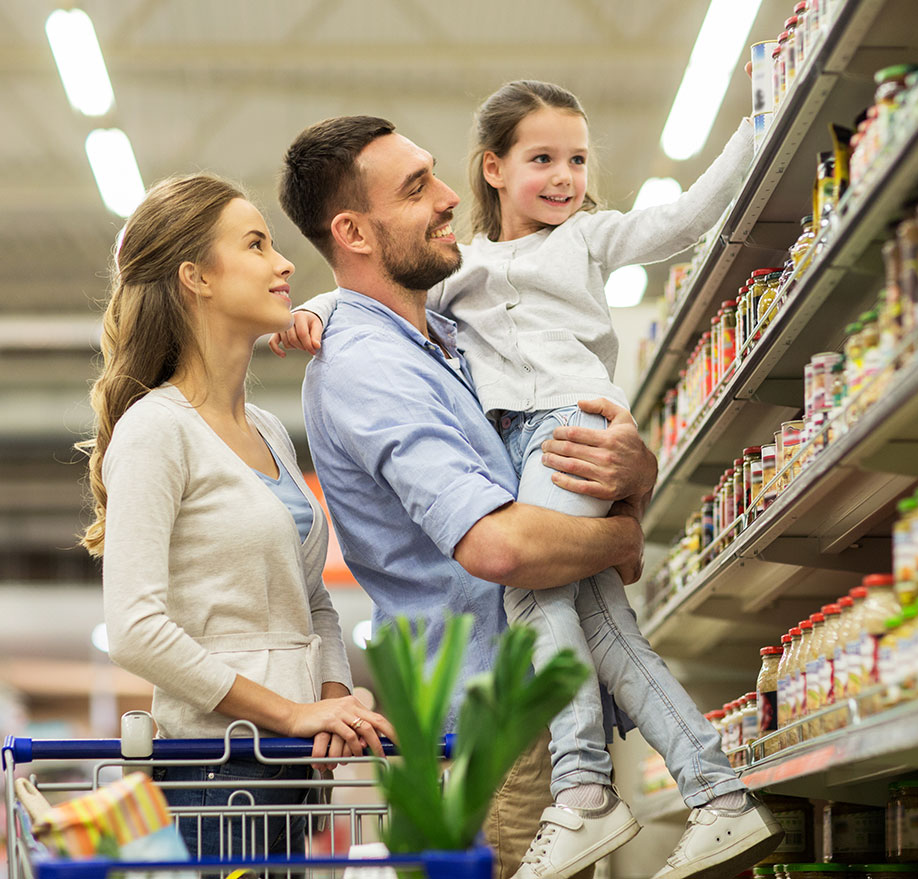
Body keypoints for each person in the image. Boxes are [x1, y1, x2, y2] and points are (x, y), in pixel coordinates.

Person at [280, 81, 783, 879]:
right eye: (417, 187)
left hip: (525, 685)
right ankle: (697, 793)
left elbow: (679, 221)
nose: (446, 198)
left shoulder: (448, 326)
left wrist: (636, 473)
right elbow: (503, 549)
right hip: (497, 709)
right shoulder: (379, 351)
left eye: (577, 158)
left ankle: (640, 793)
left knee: (613, 637)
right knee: (597, 627)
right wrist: (620, 530)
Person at [78, 173, 394, 860]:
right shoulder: (156, 430)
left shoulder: (270, 430)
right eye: (256, 244)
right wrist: (291, 712)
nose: (283, 264)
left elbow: (313, 604)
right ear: (197, 277)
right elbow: (134, 629)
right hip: (213, 773)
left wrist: (332, 705)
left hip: (293, 770)